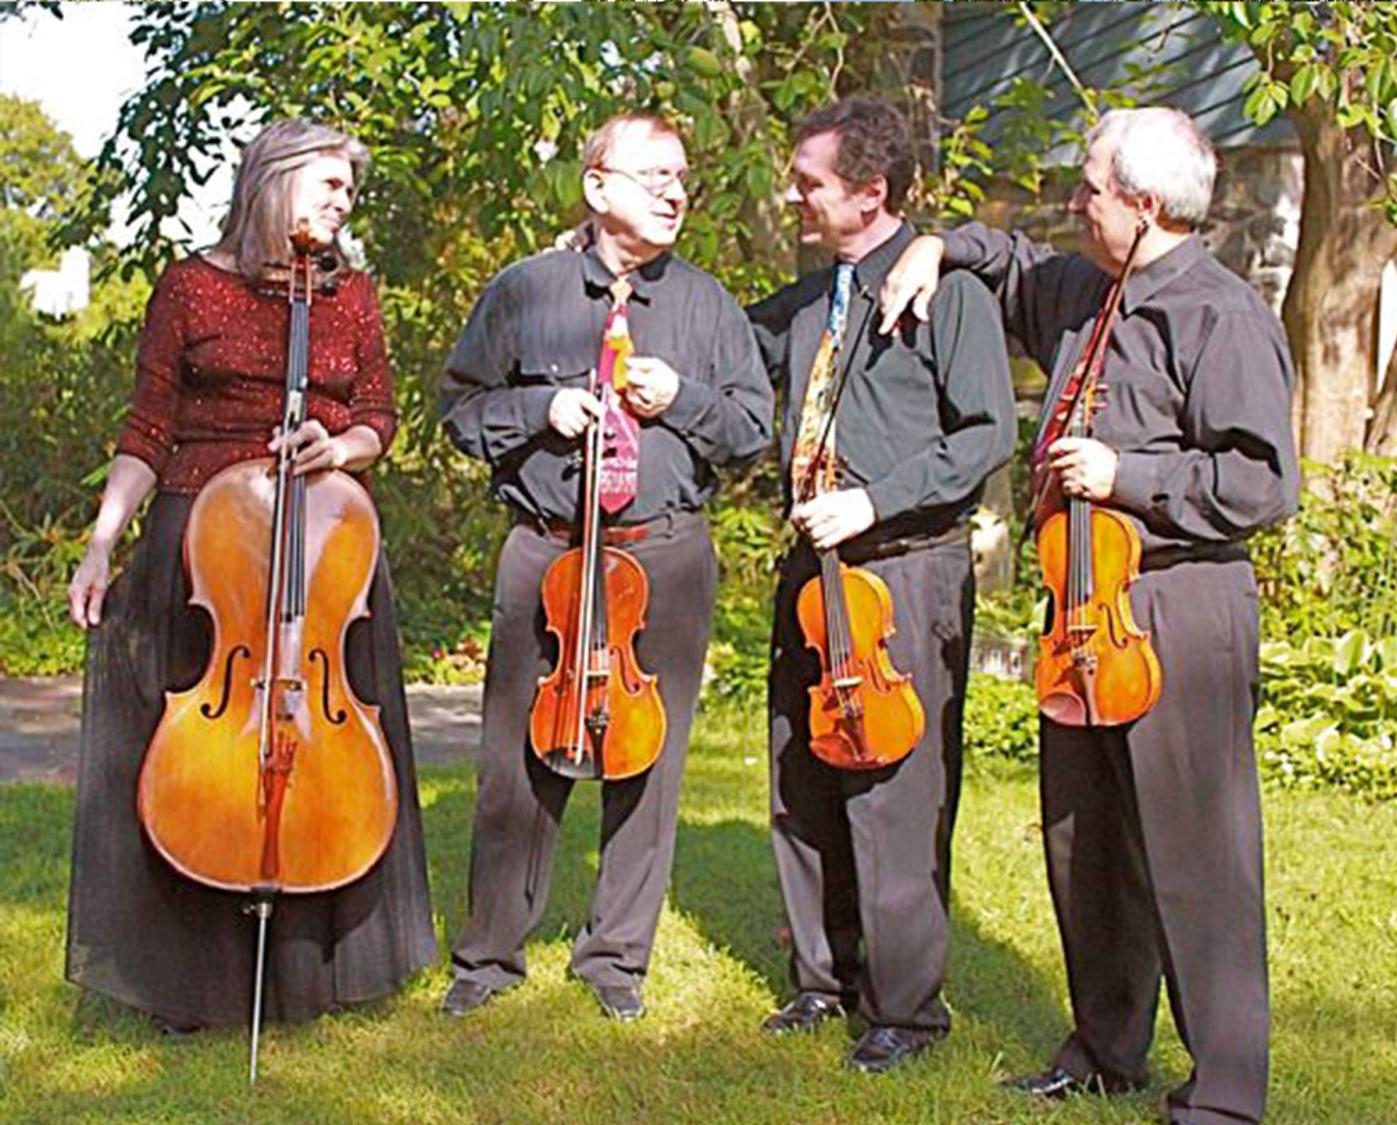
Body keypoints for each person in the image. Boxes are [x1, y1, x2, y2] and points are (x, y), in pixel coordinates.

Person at [881, 106, 1299, 1123]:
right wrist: (936, 243)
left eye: (1092, 189)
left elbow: (1263, 483)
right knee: (1086, 839)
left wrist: (1131, 474)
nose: (1077, 203)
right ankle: (1106, 1049)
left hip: (1177, 604)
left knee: (1199, 854)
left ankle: (1228, 1091)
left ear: (1145, 205)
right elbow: (1010, 259)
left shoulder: (1221, 315)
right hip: (1083, 615)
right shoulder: (1085, 292)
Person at [65, 119, 436, 1031]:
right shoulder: (191, 286)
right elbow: (148, 427)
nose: (342, 202)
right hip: (206, 543)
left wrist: (337, 444)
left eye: (350, 190)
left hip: (321, 543)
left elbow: (381, 417)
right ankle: (191, 977)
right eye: (328, 183)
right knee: (195, 757)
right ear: (271, 181)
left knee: (316, 747)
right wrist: (105, 539)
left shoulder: (351, 296)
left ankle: (307, 971)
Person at [437, 113, 773, 1022]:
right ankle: (490, 956)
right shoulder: (523, 292)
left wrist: (685, 398)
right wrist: (541, 409)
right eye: (653, 174)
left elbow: (753, 427)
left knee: (647, 757)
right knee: (519, 756)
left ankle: (615, 959)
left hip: (662, 552)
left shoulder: (707, 305)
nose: (675, 192)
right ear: (595, 186)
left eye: (682, 177)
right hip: (546, 548)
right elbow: (461, 412)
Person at [747, 96, 1015, 1074]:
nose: (795, 195)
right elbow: (728, 350)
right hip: (812, 572)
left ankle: (905, 1008)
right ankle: (824, 979)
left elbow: (988, 433)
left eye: (811, 182)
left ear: (872, 191)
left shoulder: (953, 296)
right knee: (804, 775)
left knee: (897, 793)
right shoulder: (815, 295)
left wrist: (874, 504)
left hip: (905, 567)